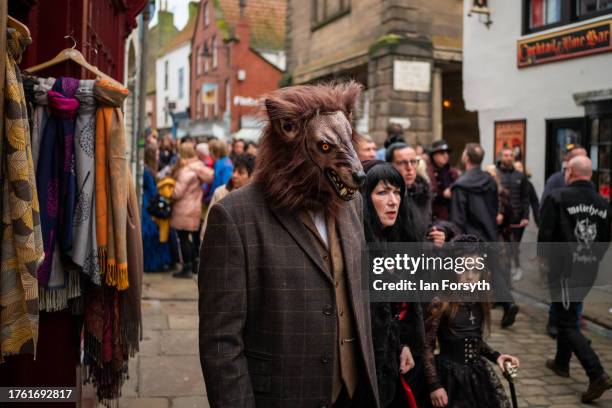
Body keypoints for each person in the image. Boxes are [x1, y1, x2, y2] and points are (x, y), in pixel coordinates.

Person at [199, 82, 380, 407]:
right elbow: (221, 343)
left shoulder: (351, 202)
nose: (354, 168)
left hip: (354, 394)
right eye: (325, 148)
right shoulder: (234, 216)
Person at [539, 156, 612, 403]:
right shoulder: (604, 203)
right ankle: (561, 363)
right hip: (588, 268)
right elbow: (604, 240)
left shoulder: (557, 197)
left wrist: (543, 262)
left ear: (570, 172)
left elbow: (546, 235)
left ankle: (597, 374)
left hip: (563, 270)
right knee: (566, 314)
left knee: (568, 323)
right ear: (589, 174)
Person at [424, 235, 520, 408]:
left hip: (476, 375)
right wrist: (434, 385)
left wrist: (497, 356)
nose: (469, 277)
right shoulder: (441, 302)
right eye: (463, 269)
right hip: (449, 376)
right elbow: (426, 346)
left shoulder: (480, 300)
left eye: (475, 270)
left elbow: (474, 341)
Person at [361, 161, 427, 407]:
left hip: (393, 360)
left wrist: (405, 344)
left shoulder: (399, 240)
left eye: (397, 192)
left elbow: (404, 307)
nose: (393, 201)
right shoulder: (358, 248)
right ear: (365, 198)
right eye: (382, 192)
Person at [451, 143, 519, 328]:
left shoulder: (460, 185)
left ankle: (470, 318)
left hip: (471, 238)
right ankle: (508, 303)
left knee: (471, 278)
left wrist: (458, 241)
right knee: (493, 271)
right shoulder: (489, 180)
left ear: (466, 158)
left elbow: (458, 218)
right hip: (490, 234)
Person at [542, 145, 588, 338]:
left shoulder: (588, 191)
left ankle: (572, 323)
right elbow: (546, 208)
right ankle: (558, 323)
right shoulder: (556, 181)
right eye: (578, 158)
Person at [171, 143, 214, 278]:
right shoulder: (198, 167)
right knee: (190, 238)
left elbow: (177, 192)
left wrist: (169, 192)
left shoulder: (186, 170)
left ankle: (186, 268)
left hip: (183, 208)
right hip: (194, 207)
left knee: (183, 238)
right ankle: (194, 264)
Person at [200, 154, 255, 239]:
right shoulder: (221, 192)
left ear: (252, 176)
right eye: (234, 171)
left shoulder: (256, 197)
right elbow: (209, 221)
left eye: (240, 173)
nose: (234, 175)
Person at [496, 147, 530, 281]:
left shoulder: (520, 176)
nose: (509, 157)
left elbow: (525, 198)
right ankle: (506, 271)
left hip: (517, 218)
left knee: (514, 245)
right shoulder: (496, 174)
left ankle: (516, 268)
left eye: (511, 155)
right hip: (501, 218)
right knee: (504, 246)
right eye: (506, 155)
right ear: (501, 157)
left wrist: (526, 216)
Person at [386, 143, 432, 229]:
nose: (409, 168)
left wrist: (440, 230)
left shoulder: (423, 190)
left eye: (413, 161)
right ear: (389, 165)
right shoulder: (384, 194)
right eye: (402, 163)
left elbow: (428, 222)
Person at [141, 146, 172, 272]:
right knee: (152, 234)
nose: (159, 156)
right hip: (148, 203)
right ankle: (151, 264)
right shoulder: (148, 171)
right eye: (157, 154)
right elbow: (153, 190)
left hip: (146, 202)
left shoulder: (146, 169)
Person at [427, 140, 460, 221]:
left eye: (447, 153)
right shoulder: (427, 172)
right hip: (434, 216)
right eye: (442, 153)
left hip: (452, 214)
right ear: (434, 155)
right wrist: (442, 194)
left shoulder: (453, 172)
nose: (446, 156)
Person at [513, 161, 540, 227]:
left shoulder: (528, 185)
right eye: (515, 167)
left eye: (519, 167)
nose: (517, 169)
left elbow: (534, 202)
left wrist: (538, 220)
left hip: (523, 217)